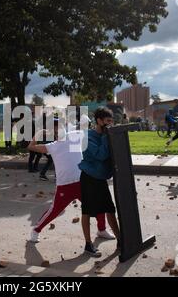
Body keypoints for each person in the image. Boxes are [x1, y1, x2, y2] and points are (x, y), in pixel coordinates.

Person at [27, 117, 114, 244]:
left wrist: (104, 125)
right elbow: (31, 146)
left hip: (82, 182)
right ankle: (36, 230)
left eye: (59, 127)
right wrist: (39, 133)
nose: (57, 131)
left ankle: (101, 229)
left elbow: (93, 131)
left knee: (98, 205)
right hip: (64, 186)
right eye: (54, 130)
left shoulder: (75, 136)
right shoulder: (52, 146)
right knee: (54, 211)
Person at [79, 107, 121, 257]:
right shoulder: (88, 137)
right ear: (99, 121)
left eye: (111, 121)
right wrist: (105, 137)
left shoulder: (106, 135)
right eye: (107, 121)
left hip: (100, 178)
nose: (110, 124)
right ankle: (88, 244)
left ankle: (120, 240)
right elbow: (101, 155)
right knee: (87, 211)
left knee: (110, 209)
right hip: (89, 178)